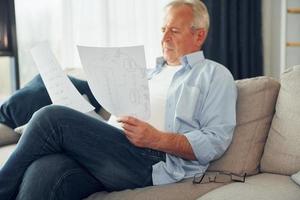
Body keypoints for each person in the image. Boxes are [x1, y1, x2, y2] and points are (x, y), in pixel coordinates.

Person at [0, 0, 237, 199]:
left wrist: (157, 139)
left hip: (154, 159)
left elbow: (215, 140)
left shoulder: (214, 75)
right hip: (110, 150)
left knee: (49, 117)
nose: (164, 38)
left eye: (174, 31)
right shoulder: (145, 73)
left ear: (199, 36)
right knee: (44, 170)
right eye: (163, 29)